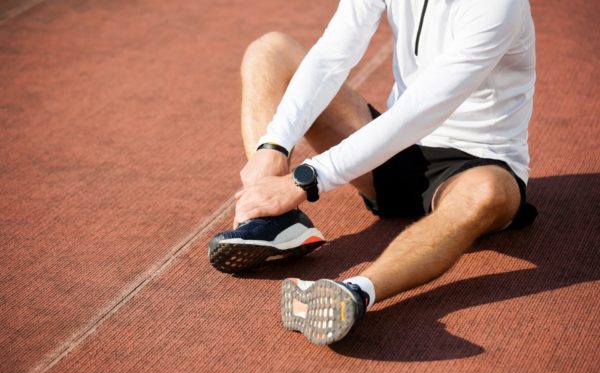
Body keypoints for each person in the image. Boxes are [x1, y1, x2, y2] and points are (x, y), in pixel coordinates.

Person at [209, 0, 538, 345]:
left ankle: (355, 292)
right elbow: (333, 54)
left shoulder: (499, 6)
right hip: (394, 151)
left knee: (487, 192)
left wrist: (305, 179)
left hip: (476, 163)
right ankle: (272, 222)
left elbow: (421, 110)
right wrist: (274, 145)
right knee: (270, 51)